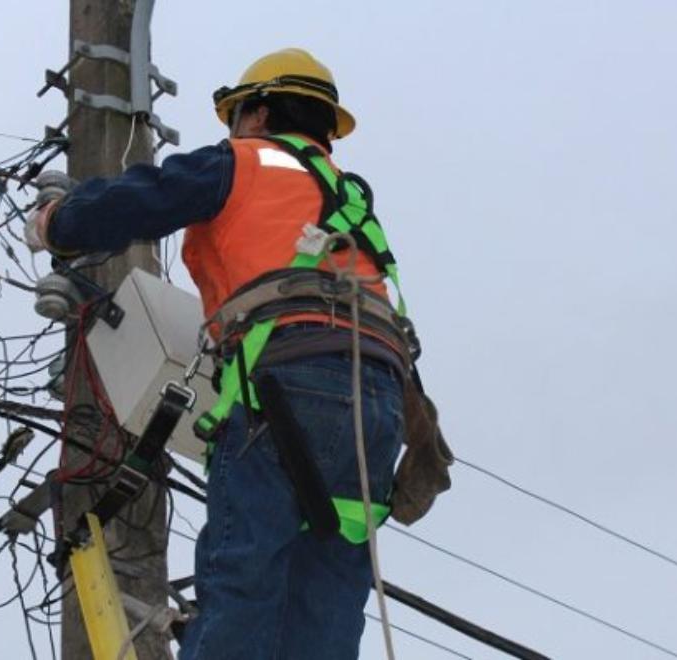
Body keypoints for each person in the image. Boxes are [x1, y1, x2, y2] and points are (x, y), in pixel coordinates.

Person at [26, 48, 414, 660]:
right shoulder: (350, 198)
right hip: (380, 404)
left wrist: (58, 223)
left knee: (245, 580)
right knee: (328, 597)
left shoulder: (245, 160)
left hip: (287, 381)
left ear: (257, 113)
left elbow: (141, 199)